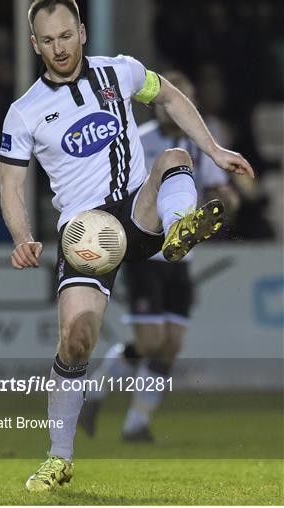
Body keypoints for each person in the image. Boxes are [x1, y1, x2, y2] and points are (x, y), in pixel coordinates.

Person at [0, 0, 254, 492]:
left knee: (175, 160)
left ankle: (179, 227)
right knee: (76, 341)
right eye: (48, 40)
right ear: (35, 44)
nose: (60, 47)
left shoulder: (122, 71)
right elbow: (10, 185)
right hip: (89, 233)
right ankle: (59, 458)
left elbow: (173, 98)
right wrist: (24, 236)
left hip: (139, 211)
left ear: (82, 33)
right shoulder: (24, 112)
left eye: (67, 35)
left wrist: (215, 148)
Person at [79, 71, 240, 442]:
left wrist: (226, 199)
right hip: (145, 253)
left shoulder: (199, 145)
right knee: (151, 342)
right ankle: (95, 391)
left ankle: (136, 424)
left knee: (170, 346)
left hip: (181, 259)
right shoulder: (140, 140)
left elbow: (214, 189)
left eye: (188, 94)